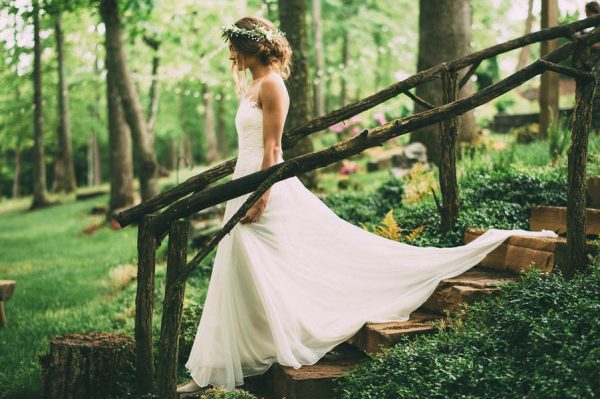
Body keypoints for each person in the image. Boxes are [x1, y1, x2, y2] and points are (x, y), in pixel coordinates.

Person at [177, 16, 558, 394]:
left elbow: (274, 148)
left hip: (264, 187)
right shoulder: (253, 85)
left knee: (273, 263)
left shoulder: (273, 84)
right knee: (239, 268)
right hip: (242, 184)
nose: (229, 54)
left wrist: (261, 197)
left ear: (249, 46)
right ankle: (220, 366)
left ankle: (233, 362)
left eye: (233, 46)